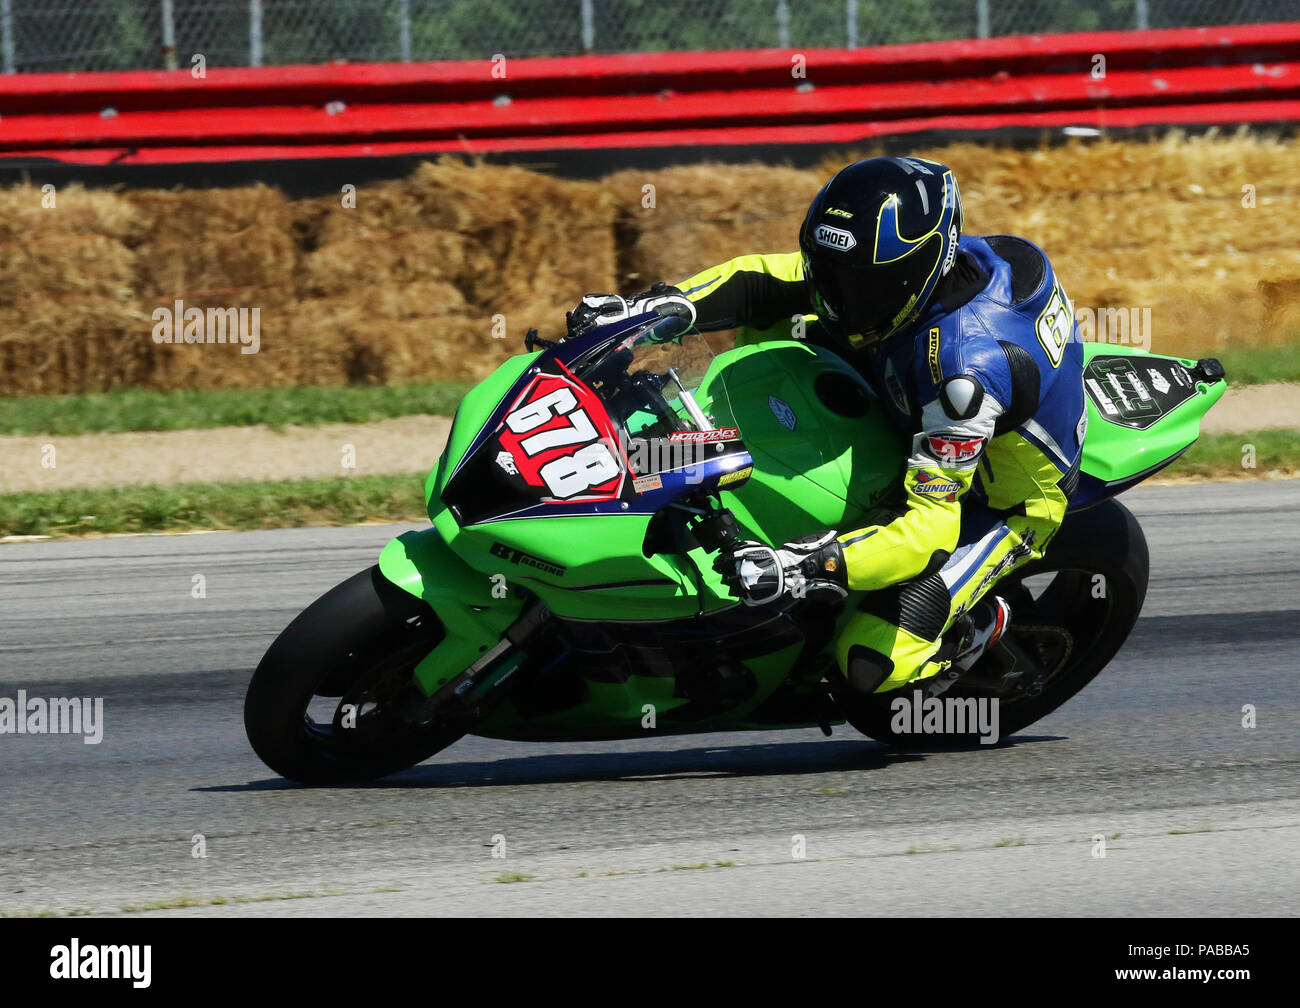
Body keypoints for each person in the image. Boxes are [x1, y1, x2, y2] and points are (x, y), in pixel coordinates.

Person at [567, 156, 1086, 697]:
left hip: (996, 499)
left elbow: (933, 527)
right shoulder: (897, 268)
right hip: (902, 386)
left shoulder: (962, 377)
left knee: (870, 663)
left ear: (922, 267)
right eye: (829, 275)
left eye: (859, 285)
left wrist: (811, 564)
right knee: (781, 313)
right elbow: (763, 280)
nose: (836, 300)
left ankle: (975, 628)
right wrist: (645, 312)